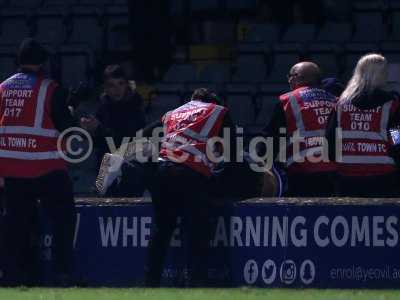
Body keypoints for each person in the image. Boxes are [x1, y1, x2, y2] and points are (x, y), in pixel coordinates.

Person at [0, 38, 76, 286]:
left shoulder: (2, 88)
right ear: (43, 63)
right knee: (63, 218)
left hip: (11, 169)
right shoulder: (50, 88)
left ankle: (14, 277)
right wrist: (73, 111)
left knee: (16, 225)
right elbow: (67, 128)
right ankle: (62, 272)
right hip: (46, 167)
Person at [144, 88, 234, 287]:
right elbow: (232, 151)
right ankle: (196, 282)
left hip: (162, 171)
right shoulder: (218, 111)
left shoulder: (173, 113)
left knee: (162, 230)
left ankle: (150, 284)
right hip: (190, 173)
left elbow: (144, 135)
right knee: (196, 230)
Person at [326, 53, 400, 197]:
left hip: (347, 175)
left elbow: (330, 139)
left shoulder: (341, 104)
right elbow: (397, 139)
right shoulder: (392, 103)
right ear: (383, 74)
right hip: (383, 175)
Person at [262, 62, 337, 197]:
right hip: (335, 172)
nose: (289, 80)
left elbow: (271, 139)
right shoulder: (337, 100)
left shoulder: (287, 100)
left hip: (302, 172)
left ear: (297, 77)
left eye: (290, 76)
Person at [80, 65, 146, 195]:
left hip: (130, 168)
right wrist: (89, 131)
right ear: (105, 87)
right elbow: (100, 143)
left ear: (126, 84)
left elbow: (125, 142)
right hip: (106, 168)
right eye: (111, 85)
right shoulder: (103, 106)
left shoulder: (135, 106)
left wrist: (98, 128)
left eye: (120, 84)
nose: (117, 89)